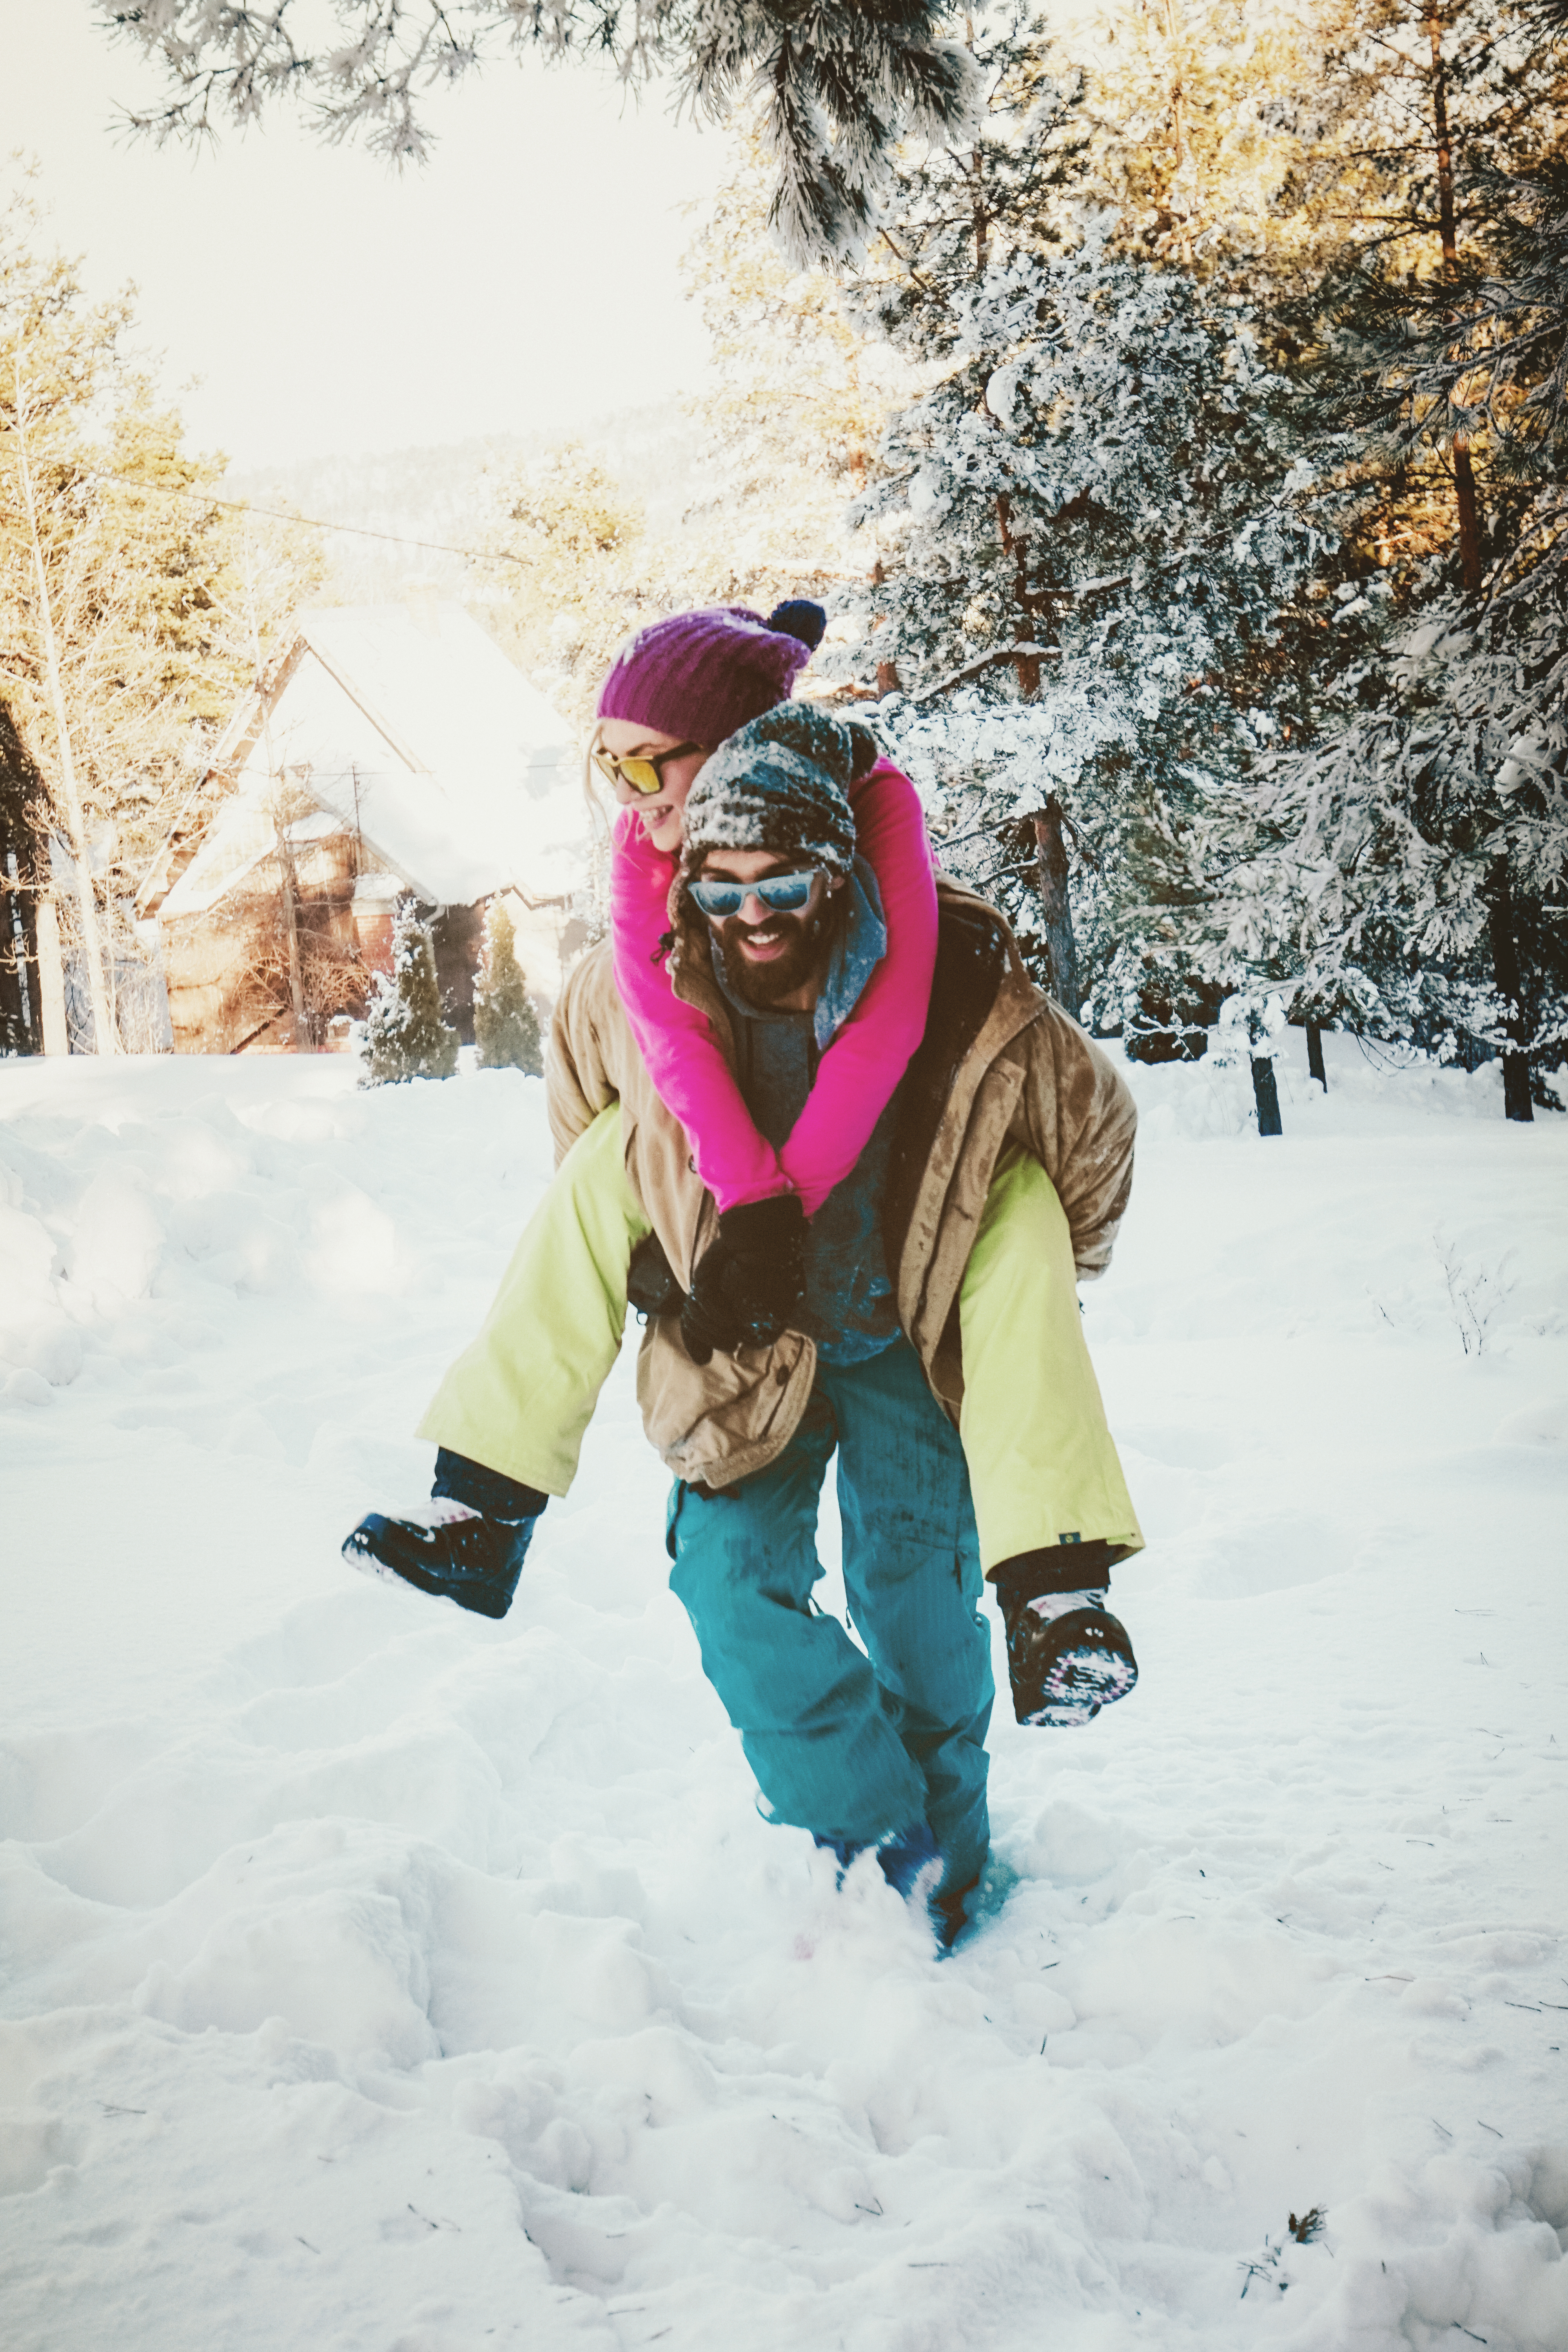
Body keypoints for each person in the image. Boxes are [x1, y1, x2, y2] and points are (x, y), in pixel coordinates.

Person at [347, 698, 1142, 1942]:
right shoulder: (630, 991)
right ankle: (883, 1847)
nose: (751, 914)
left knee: (918, 1606)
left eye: (780, 882)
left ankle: (963, 1846)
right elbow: (587, 1151)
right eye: (719, 890)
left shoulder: (953, 980)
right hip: (741, 1350)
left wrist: (1006, 1274)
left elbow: (1091, 1136)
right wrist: (674, 1273)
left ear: (836, 872)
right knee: (730, 1586)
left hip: (897, 1339)